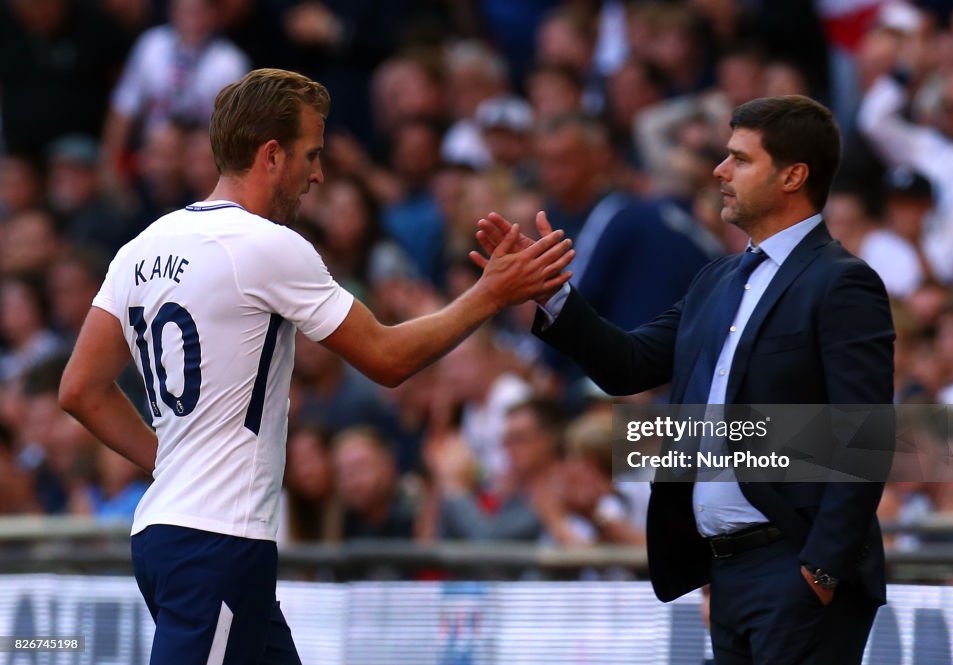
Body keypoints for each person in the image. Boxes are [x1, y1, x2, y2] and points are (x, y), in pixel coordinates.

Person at [58, 68, 574, 665]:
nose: (319, 174)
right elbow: (387, 358)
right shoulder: (267, 245)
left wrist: (169, 465)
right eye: (312, 154)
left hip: (171, 533)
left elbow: (80, 389)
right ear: (271, 155)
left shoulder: (141, 246)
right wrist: (490, 294)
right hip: (218, 543)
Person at [474, 95, 894, 664]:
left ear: (794, 175)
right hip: (726, 573)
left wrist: (820, 569)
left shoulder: (843, 283)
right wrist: (552, 294)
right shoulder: (716, 280)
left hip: (797, 568)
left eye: (740, 160)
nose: (719, 171)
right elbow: (628, 365)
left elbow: (864, 436)